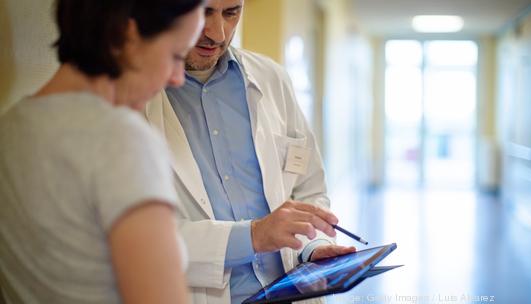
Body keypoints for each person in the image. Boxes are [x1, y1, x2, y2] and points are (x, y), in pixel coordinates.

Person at [143, 0, 356, 303]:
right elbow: (139, 239)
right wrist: (253, 236)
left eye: (232, 13)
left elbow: (307, 189)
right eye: (204, 12)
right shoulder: (134, 96)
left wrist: (313, 245)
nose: (217, 34)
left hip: (291, 293)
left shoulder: (271, 78)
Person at [0, 0, 204, 303]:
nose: (177, 78)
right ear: (127, 35)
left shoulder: (10, 128)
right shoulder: (123, 139)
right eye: (176, 55)